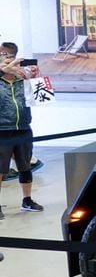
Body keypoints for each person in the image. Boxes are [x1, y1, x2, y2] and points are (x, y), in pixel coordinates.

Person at [0, 42, 43, 216]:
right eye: (5, 60)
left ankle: (27, 199)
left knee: (25, 166)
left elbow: (41, 99)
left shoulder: (22, 81)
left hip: (24, 127)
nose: (11, 64)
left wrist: (34, 79)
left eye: (13, 60)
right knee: (0, 169)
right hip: (2, 130)